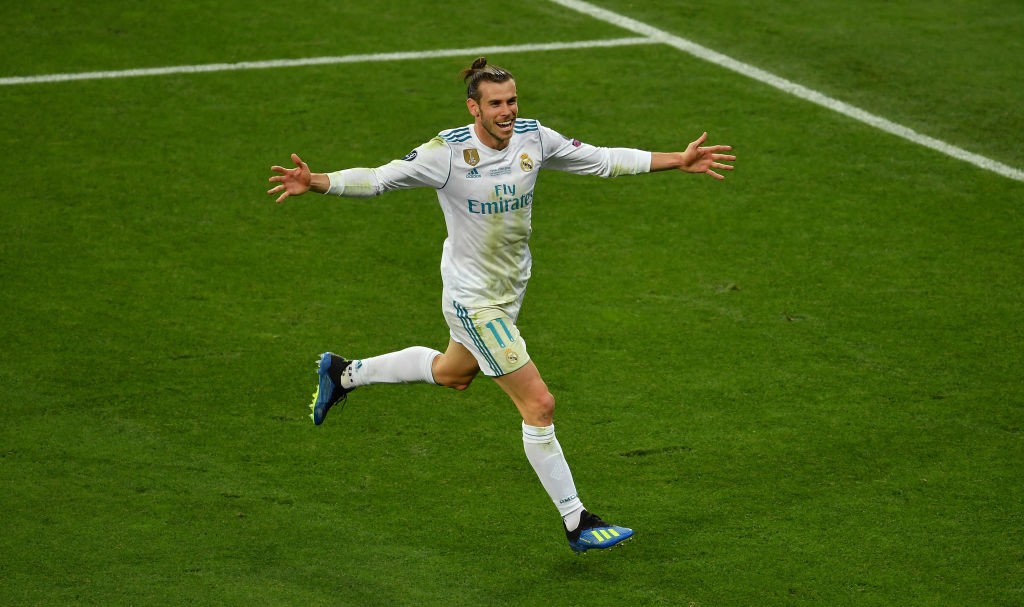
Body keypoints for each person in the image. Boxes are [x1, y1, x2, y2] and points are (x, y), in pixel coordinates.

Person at [267, 57, 735, 553]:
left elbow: (601, 159)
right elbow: (380, 178)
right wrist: (317, 180)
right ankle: (577, 521)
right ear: (474, 107)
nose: (507, 111)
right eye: (495, 103)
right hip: (473, 301)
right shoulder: (445, 153)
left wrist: (676, 161)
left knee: (453, 373)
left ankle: (342, 373)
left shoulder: (534, 138)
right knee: (539, 404)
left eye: (512, 100)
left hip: (510, 290)